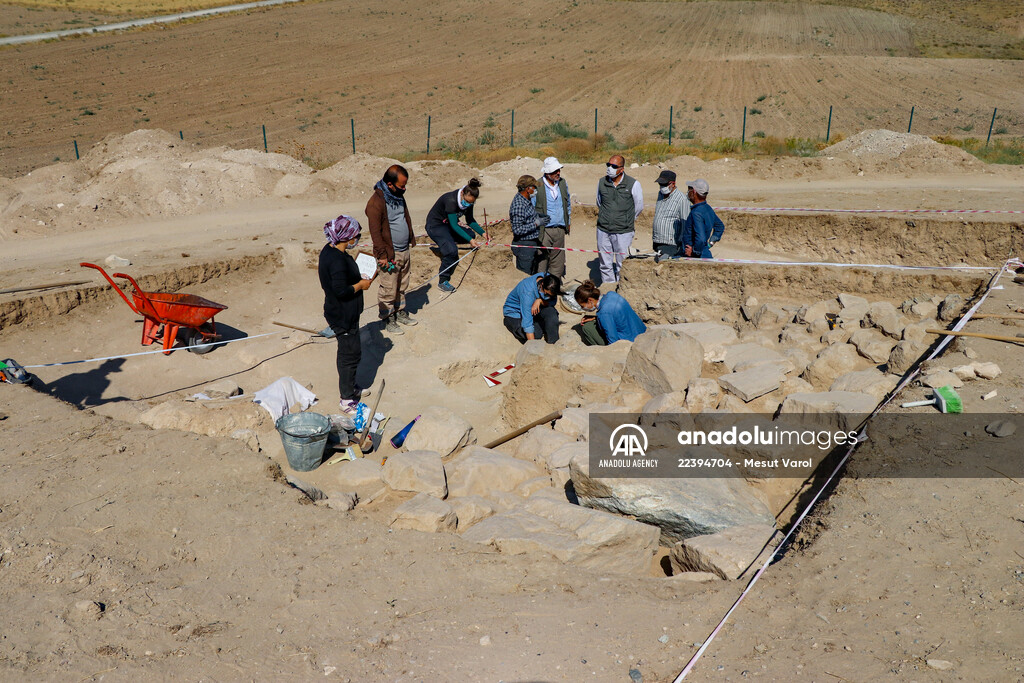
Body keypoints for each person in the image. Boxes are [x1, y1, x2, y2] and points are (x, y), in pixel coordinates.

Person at [318, 215, 375, 414]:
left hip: (344, 312)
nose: (357, 238)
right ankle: (346, 399)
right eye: (356, 235)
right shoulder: (336, 261)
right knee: (348, 356)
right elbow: (341, 291)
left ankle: (351, 388)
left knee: (352, 351)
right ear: (347, 237)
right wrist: (361, 285)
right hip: (343, 314)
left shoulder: (330, 251)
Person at [366, 164, 417, 336]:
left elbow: (404, 218)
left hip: (404, 251)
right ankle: (388, 318)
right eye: (401, 185)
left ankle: (399, 311)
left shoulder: (398, 196)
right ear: (389, 184)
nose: (404, 189)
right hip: (389, 254)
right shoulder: (376, 203)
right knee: (389, 288)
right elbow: (375, 233)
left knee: (402, 284)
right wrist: (382, 256)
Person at [424, 178, 489, 292]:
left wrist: (483, 233)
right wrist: (469, 241)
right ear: (463, 193)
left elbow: (470, 220)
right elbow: (454, 225)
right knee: (451, 251)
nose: (468, 204)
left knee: (470, 234)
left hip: (447, 225)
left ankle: (447, 241)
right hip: (436, 226)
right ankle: (443, 281)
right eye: (467, 202)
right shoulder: (451, 200)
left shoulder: (469, 201)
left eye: (471, 203)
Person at [595, 154, 643, 284]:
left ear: (621, 169)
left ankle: (621, 289)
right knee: (605, 263)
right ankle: (608, 289)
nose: (610, 168)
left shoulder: (633, 184)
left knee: (622, 263)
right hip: (604, 230)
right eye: (608, 165)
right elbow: (599, 202)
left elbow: (638, 206)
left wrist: (625, 220)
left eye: (614, 166)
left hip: (623, 232)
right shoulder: (602, 182)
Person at [572, 280, 646, 346]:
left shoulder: (604, 313)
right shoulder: (611, 295)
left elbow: (613, 340)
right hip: (641, 334)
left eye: (582, 305)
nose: (582, 308)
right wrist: (595, 318)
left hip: (629, 343)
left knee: (587, 327)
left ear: (590, 300)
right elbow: (616, 315)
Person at [534, 156, 571, 278]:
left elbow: (568, 204)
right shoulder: (537, 186)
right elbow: (532, 208)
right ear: (547, 172)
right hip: (544, 230)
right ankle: (540, 286)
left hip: (559, 228)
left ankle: (554, 286)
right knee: (542, 260)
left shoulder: (562, 183)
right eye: (555, 171)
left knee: (558, 261)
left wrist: (568, 221)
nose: (558, 173)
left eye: (559, 170)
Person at [502, 272, 562, 345]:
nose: (547, 297)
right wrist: (533, 347)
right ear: (542, 285)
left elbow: (552, 302)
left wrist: (540, 300)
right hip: (515, 313)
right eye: (546, 294)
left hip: (534, 308)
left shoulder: (550, 281)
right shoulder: (527, 293)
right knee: (536, 335)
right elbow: (527, 323)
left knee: (552, 313)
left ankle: (554, 343)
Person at [679, 178, 724, 259]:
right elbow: (720, 227)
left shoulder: (696, 213)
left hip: (695, 258)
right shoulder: (707, 208)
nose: (688, 192)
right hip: (705, 254)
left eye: (689, 189)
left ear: (694, 192)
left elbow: (701, 238)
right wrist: (710, 243)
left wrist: (694, 252)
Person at [651, 169, 690, 257]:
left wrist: (681, 244)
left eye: (664, 184)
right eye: (660, 184)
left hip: (670, 244)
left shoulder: (681, 199)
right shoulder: (660, 194)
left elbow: (685, 224)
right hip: (657, 241)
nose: (661, 187)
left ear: (673, 184)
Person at [509, 175, 541, 274]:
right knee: (525, 277)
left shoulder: (526, 201)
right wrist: (536, 223)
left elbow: (528, 218)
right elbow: (517, 229)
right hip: (524, 246)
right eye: (534, 188)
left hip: (531, 244)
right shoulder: (519, 204)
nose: (536, 190)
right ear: (528, 189)